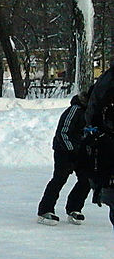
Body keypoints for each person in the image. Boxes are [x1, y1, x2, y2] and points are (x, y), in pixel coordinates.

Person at [37, 91, 91, 225]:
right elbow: (63, 132)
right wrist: (72, 149)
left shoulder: (94, 112)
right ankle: (45, 210)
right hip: (64, 151)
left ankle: (74, 208)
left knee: (87, 179)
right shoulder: (75, 110)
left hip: (82, 152)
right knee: (59, 179)